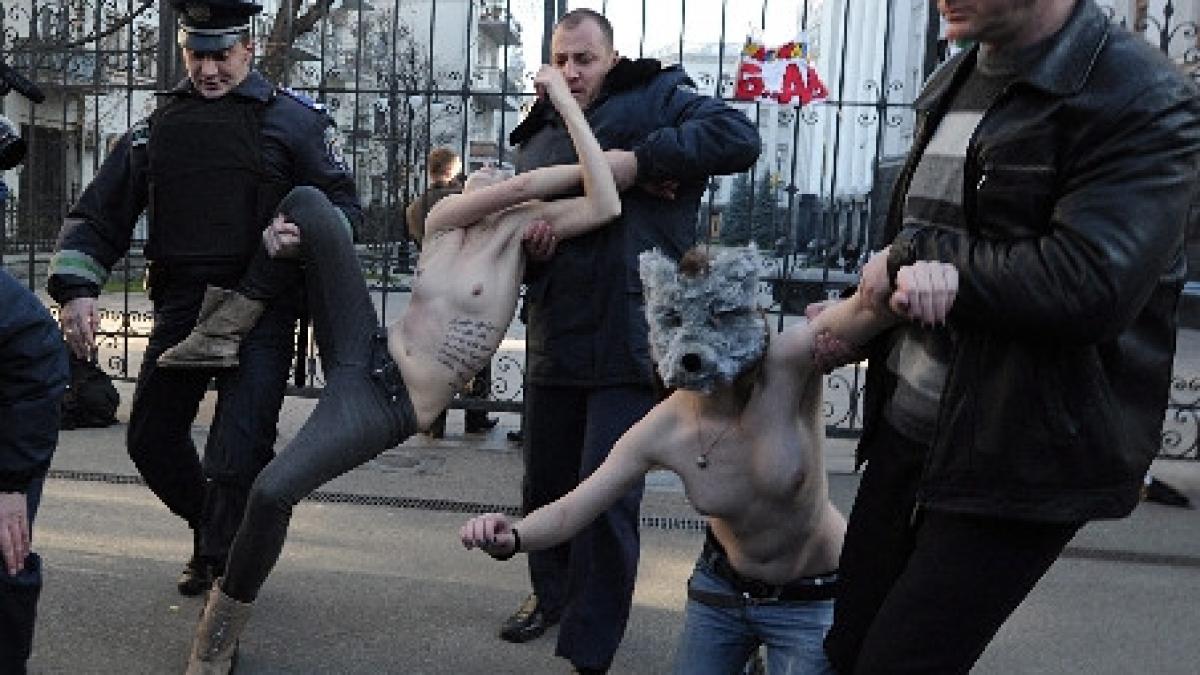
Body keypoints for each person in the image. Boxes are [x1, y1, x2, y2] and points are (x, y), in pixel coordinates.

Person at [182, 64, 625, 674]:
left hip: (386, 405)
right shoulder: (445, 222)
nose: (488, 174)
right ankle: (237, 312)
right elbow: (510, 193)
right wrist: (294, 240)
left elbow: (604, 197)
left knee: (271, 491)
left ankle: (219, 628)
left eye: (500, 168)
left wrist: (564, 108)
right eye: (478, 170)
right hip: (363, 348)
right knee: (307, 202)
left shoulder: (521, 233)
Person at [819, 1, 1200, 673]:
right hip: (908, 434)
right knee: (847, 650)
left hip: (1018, 452)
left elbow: (1090, 281)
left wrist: (915, 256)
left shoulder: (1139, 93)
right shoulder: (956, 76)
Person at [461, 246, 956, 674]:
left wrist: (911, 280)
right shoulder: (664, 427)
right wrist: (514, 536)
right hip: (721, 594)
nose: (699, 341)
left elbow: (870, 307)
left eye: (719, 319)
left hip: (813, 599)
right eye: (678, 322)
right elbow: (576, 506)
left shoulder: (787, 365)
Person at [46, 0, 363, 597]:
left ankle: (222, 576)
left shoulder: (294, 123)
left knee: (237, 451)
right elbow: (99, 213)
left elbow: (347, 212)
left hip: (262, 307)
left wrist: (304, 233)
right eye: (197, 55)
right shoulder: (157, 127)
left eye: (222, 55)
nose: (209, 69)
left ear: (248, 48)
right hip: (181, 306)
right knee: (150, 440)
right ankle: (213, 531)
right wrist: (79, 290)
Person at [503, 9, 761, 671]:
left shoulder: (656, 96)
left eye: (584, 59)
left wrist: (637, 160)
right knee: (544, 486)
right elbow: (516, 244)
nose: (571, 72)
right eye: (561, 59)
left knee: (608, 496)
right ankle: (552, 594)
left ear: (610, 58)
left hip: (631, 332)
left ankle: (587, 649)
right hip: (556, 331)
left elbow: (737, 136)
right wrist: (532, 249)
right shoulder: (536, 133)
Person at [0, 270, 69, 673]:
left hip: (9, 447)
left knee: (6, 555)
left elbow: (37, 362)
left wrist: (11, 484)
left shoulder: (11, 310)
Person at [405, 146, 498, 437]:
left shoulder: (415, 206)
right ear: (454, 169)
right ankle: (475, 416)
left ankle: (434, 421)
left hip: (431, 283)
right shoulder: (464, 201)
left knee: (435, 353)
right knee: (474, 349)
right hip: (463, 280)